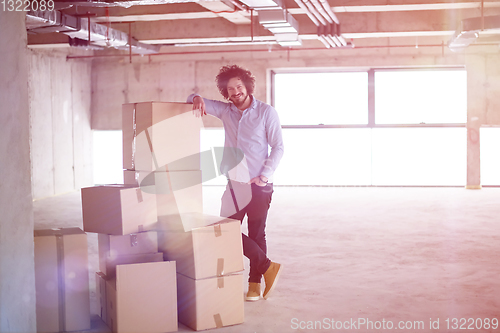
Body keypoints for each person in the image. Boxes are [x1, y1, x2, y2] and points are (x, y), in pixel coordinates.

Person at [187, 64, 284, 301]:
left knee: (257, 233)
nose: (235, 92)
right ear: (226, 92)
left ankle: (254, 284)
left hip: (259, 186)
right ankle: (267, 266)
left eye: (239, 86)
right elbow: (191, 97)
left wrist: (264, 175)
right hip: (234, 184)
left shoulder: (266, 112)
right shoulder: (225, 111)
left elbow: (278, 147)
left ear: (247, 87)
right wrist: (196, 97)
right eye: (230, 89)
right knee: (223, 230)